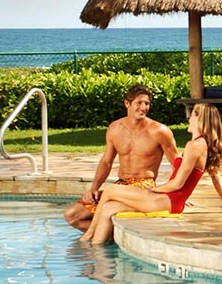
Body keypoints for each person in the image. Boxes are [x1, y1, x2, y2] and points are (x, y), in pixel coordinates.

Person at [81, 103, 222, 245]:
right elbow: (215, 175)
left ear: (200, 120)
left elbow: (178, 184)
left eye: (192, 116)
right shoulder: (203, 145)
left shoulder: (195, 145)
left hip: (168, 200)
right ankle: (96, 251)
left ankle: (87, 237)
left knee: (110, 190)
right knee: (108, 208)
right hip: (171, 200)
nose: (189, 119)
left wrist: (151, 191)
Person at [63, 84, 179, 232]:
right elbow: (106, 162)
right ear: (127, 103)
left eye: (147, 103)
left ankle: (99, 237)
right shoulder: (114, 129)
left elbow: (177, 164)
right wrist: (94, 188)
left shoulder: (159, 131)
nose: (143, 107)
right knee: (72, 215)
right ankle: (111, 237)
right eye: (139, 103)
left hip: (144, 187)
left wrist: (178, 195)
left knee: (104, 210)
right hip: (120, 186)